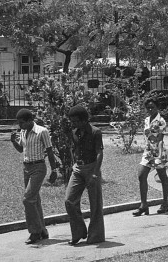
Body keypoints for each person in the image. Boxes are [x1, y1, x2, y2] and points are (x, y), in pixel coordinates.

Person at [9, 108, 58, 244]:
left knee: (28, 199)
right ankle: (42, 230)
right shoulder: (23, 131)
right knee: (34, 200)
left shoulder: (42, 131)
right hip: (26, 167)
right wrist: (14, 141)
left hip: (38, 167)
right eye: (18, 123)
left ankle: (34, 232)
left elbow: (50, 150)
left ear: (30, 121)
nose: (20, 126)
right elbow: (21, 150)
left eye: (22, 123)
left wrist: (54, 170)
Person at [65, 105, 105, 245]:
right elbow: (74, 149)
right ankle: (78, 232)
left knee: (95, 203)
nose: (73, 124)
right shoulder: (75, 132)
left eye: (75, 121)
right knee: (69, 200)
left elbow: (99, 153)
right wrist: (73, 164)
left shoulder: (95, 132)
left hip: (91, 167)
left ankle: (95, 236)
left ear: (84, 120)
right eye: (72, 121)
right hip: (78, 168)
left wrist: (95, 173)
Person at [133, 99, 168, 216]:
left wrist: (158, 156)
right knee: (141, 175)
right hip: (148, 151)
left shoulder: (161, 121)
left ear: (157, 107)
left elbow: (160, 139)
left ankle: (165, 203)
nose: (150, 110)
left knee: (162, 176)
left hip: (157, 151)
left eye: (152, 107)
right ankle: (143, 205)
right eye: (148, 107)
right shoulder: (146, 120)